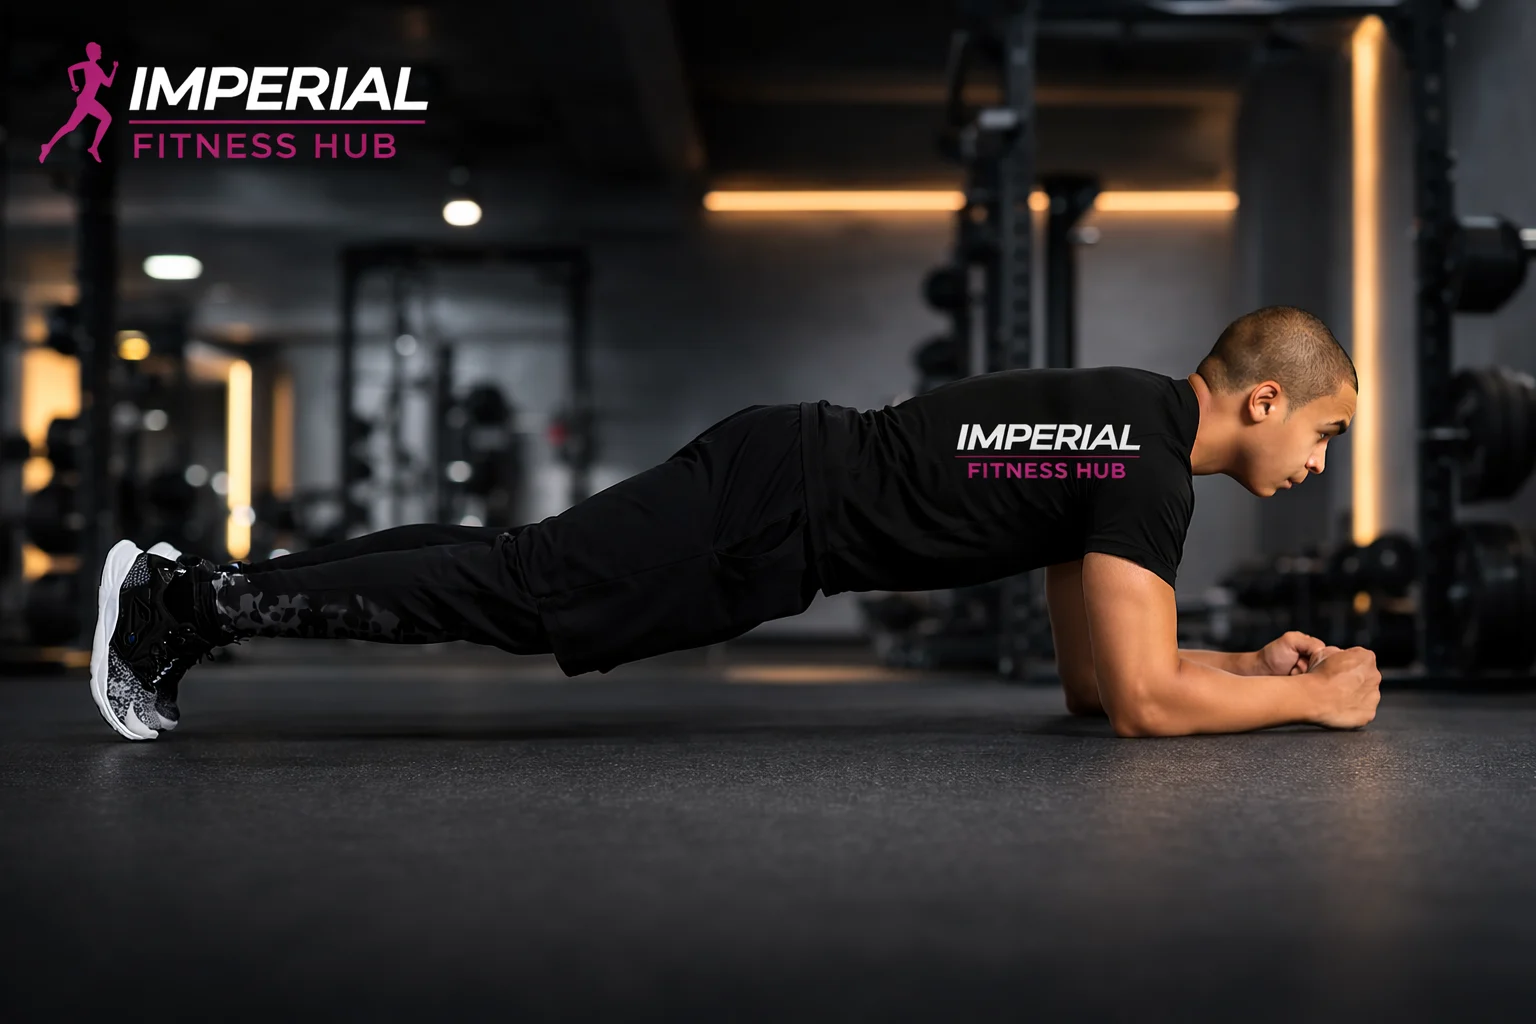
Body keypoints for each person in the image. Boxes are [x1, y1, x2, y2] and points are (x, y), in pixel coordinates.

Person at [89, 305, 1380, 742]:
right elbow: (1147, 710)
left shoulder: (1125, 421)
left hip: (783, 476)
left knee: (517, 574)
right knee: (524, 591)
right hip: (778, 512)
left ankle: (193, 588)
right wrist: (1316, 701)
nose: (1318, 463)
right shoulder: (1146, 475)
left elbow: (1105, 687)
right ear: (1263, 396)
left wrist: (1245, 668)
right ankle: (182, 606)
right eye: (1323, 434)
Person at [39, 42, 118, 165]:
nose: (101, 53)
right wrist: (74, 85)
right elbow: (70, 69)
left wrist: (114, 69)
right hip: (86, 100)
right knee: (104, 119)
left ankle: (48, 146)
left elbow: (108, 83)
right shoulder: (88, 66)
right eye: (99, 51)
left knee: (71, 126)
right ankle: (93, 147)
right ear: (93, 53)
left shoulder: (98, 69)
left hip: (88, 100)